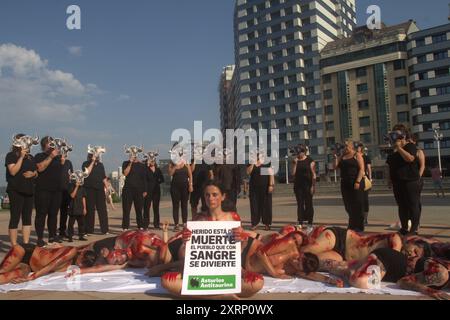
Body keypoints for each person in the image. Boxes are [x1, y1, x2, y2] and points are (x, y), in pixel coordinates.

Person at [158, 180, 264, 299]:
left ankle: (201, 295)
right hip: (201, 275)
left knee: (257, 283)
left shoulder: (232, 217)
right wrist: (185, 242)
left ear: (223, 196)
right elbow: (188, 253)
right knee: (166, 281)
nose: (210, 198)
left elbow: (238, 250)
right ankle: (218, 297)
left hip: (225, 273)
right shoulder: (197, 219)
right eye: (207, 195)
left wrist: (242, 238)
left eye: (215, 194)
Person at [386, 125, 421, 235]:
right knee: (402, 206)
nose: (395, 138)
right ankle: (404, 227)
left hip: (411, 181)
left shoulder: (410, 146)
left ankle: (414, 229)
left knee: (413, 204)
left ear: (403, 136)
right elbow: (389, 167)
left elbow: (410, 158)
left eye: (397, 135)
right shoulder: (393, 151)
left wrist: (399, 148)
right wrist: (389, 179)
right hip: (398, 182)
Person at [300, 226, 403, 262]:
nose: (412, 254)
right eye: (415, 250)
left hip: (342, 257)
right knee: (304, 252)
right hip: (340, 238)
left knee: (308, 260)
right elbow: (393, 258)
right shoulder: (396, 239)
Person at [4, 134, 38, 246]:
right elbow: (13, 171)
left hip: (29, 190)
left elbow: (36, 173)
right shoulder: (11, 155)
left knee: (27, 218)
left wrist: (32, 174)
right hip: (15, 190)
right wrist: (21, 158)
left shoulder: (31, 157)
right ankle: (14, 246)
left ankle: (26, 243)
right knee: (15, 217)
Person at [322, 248, 408, 289]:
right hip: (382, 260)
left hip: (382, 256)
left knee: (351, 266)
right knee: (360, 282)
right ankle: (346, 271)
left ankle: (341, 267)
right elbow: (402, 282)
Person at [34, 137, 64, 246]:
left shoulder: (58, 158)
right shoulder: (39, 156)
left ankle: (52, 236)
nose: (52, 145)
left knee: (53, 215)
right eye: (49, 143)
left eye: (53, 143)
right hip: (43, 190)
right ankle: (40, 238)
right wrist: (51, 156)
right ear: (43, 146)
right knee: (41, 214)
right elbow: (40, 168)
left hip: (56, 190)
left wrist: (61, 159)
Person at [333, 140, 366, 232]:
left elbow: (362, 169)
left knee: (358, 204)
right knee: (348, 205)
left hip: (356, 182)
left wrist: (358, 181)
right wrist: (336, 157)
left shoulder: (357, 155)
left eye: (346, 146)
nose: (345, 147)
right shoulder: (342, 156)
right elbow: (335, 167)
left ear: (352, 147)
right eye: (344, 146)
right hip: (345, 183)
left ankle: (359, 226)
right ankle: (352, 224)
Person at [82, 152, 109, 235]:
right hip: (89, 189)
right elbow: (86, 173)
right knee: (90, 210)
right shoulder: (85, 164)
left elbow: (103, 177)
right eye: (93, 155)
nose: (96, 157)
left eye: (97, 156)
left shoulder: (101, 165)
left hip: (100, 189)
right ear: (90, 156)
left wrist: (107, 187)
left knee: (102, 210)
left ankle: (104, 230)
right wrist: (92, 162)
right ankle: (89, 230)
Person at [247, 153, 274, 231]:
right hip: (254, 188)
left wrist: (271, 185)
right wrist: (252, 163)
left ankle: (267, 223)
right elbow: (248, 172)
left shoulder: (267, 162)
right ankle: (254, 223)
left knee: (266, 205)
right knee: (254, 206)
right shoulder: (251, 162)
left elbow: (271, 174)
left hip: (265, 187)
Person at [168, 149, 193, 231]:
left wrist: (190, 185)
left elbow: (190, 175)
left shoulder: (186, 163)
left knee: (184, 205)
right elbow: (170, 173)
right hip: (175, 187)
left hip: (185, 187)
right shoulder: (172, 162)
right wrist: (175, 167)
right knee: (175, 206)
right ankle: (176, 225)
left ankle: (185, 223)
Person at [291, 145, 316, 228]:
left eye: (299, 153)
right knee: (300, 204)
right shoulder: (296, 161)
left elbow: (314, 175)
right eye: (297, 153)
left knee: (309, 204)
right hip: (298, 186)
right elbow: (293, 174)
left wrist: (313, 186)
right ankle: (300, 221)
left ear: (303, 152)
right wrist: (295, 164)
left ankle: (310, 222)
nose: (298, 154)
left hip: (308, 185)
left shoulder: (310, 161)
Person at [122, 153, 148, 230]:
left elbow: (144, 179)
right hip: (127, 190)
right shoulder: (125, 163)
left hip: (139, 190)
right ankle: (125, 227)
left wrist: (145, 190)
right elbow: (125, 173)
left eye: (135, 154)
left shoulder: (142, 166)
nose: (134, 156)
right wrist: (130, 162)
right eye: (132, 154)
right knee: (126, 210)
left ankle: (140, 226)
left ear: (137, 155)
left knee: (139, 209)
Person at [67, 171, 88, 242]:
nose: (79, 179)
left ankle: (81, 236)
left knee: (81, 223)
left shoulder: (82, 187)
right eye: (78, 177)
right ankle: (70, 236)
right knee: (71, 224)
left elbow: (83, 198)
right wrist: (76, 186)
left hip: (80, 207)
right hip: (73, 207)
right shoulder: (71, 185)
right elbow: (72, 195)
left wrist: (85, 208)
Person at [144, 157, 165, 229]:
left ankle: (156, 225)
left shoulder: (158, 170)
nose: (152, 162)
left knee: (156, 208)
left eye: (153, 160)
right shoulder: (146, 170)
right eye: (151, 161)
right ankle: (145, 224)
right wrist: (145, 190)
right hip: (148, 191)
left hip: (156, 191)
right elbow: (143, 180)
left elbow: (162, 179)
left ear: (155, 162)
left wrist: (156, 182)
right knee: (146, 207)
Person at [59, 144, 74, 241]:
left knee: (67, 212)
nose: (66, 153)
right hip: (58, 190)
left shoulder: (69, 162)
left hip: (67, 190)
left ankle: (66, 231)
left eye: (67, 152)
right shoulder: (56, 161)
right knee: (58, 212)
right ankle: (58, 232)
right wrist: (61, 162)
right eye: (64, 151)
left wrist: (71, 177)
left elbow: (71, 175)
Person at [356, 143, 372, 226]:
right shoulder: (354, 157)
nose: (356, 148)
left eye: (358, 147)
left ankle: (365, 219)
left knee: (365, 200)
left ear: (361, 148)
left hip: (364, 179)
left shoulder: (366, 157)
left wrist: (370, 178)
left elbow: (369, 168)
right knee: (358, 200)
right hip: (356, 179)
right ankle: (359, 218)